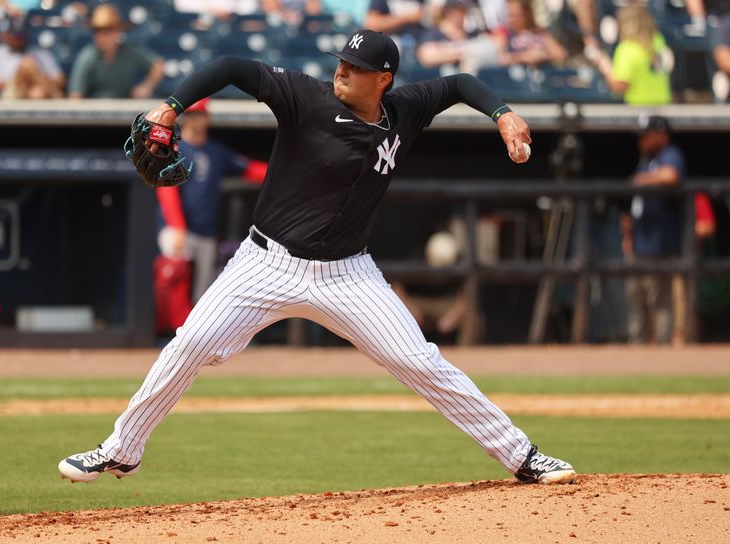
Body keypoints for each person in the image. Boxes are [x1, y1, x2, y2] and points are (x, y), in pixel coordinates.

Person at [58, 29, 576, 486]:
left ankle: (522, 456)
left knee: (420, 361)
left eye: (356, 68)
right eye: (341, 63)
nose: (342, 72)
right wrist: (172, 104)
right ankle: (120, 451)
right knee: (189, 344)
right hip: (264, 264)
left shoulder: (406, 110)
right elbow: (232, 68)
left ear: (385, 80)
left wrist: (504, 115)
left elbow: (462, 82)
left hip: (348, 275)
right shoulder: (304, 97)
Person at [156, 98, 267, 303]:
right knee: (174, 282)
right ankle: (168, 332)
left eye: (199, 115)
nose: (195, 120)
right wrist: (178, 226)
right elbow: (167, 191)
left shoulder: (215, 151)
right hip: (178, 230)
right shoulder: (175, 149)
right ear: (184, 119)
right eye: (191, 115)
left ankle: (196, 334)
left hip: (205, 232)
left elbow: (248, 168)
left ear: (207, 118)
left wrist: (281, 174)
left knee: (203, 292)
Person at [620, 116, 685, 344]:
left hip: (660, 245)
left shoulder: (670, 155)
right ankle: (637, 352)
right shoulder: (646, 161)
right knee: (636, 300)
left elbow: (671, 176)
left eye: (647, 135)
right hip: (639, 243)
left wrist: (640, 179)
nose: (642, 140)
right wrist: (628, 234)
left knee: (660, 303)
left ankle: (663, 355)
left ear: (662, 134)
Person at [68, 3, 164, 99]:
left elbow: (158, 64)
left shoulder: (129, 52)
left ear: (117, 32)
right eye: (97, 31)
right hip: (93, 109)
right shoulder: (87, 56)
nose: (101, 37)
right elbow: (75, 95)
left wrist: (146, 87)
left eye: (107, 31)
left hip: (123, 108)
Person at [0, 15, 66, 99]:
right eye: (15, 35)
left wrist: (31, 86)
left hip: (35, 94)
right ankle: (55, 94)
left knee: (37, 92)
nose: (19, 38)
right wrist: (17, 85)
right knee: (27, 64)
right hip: (6, 96)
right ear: (4, 35)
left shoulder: (40, 52)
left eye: (21, 34)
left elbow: (60, 79)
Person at [594, 4, 671, 105]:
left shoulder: (627, 48)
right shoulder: (658, 40)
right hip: (663, 103)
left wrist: (605, 65)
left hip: (638, 107)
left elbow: (620, 86)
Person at [416, 0, 500, 72]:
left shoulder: (473, 34)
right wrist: (462, 54)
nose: (459, 14)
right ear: (447, 12)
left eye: (463, 10)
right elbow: (426, 56)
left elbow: (496, 51)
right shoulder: (434, 34)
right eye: (455, 10)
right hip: (442, 84)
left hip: (468, 83)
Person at [494, 0, 567, 67]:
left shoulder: (539, 32)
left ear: (526, 14)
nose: (511, 19)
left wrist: (542, 56)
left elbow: (561, 54)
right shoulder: (505, 34)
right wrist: (523, 57)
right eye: (510, 15)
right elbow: (500, 59)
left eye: (515, 15)